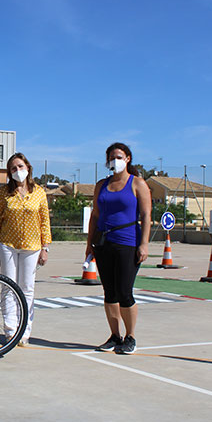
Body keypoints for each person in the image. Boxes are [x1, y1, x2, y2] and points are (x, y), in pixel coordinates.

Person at [85, 142, 152, 355]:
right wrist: (89, 244)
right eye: (112, 157)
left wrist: (144, 243)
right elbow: (95, 215)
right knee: (109, 292)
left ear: (128, 159)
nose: (115, 160)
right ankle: (115, 335)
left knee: (125, 292)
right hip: (104, 243)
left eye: (119, 156)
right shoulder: (101, 185)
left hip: (128, 243)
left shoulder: (137, 183)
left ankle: (130, 336)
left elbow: (146, 216)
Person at [0, 153, 51, 346]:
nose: (18, 171)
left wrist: (45, 248)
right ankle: (10, 331)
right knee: (8, 287)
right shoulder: (3, 193)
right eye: (13, 168)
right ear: (9, 172)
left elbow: (45, 222)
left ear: (28, 168)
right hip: (7, 245)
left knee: (27, 289)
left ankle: (24, 332)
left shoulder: (39, 192)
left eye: (20, 167)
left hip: (32, 247)